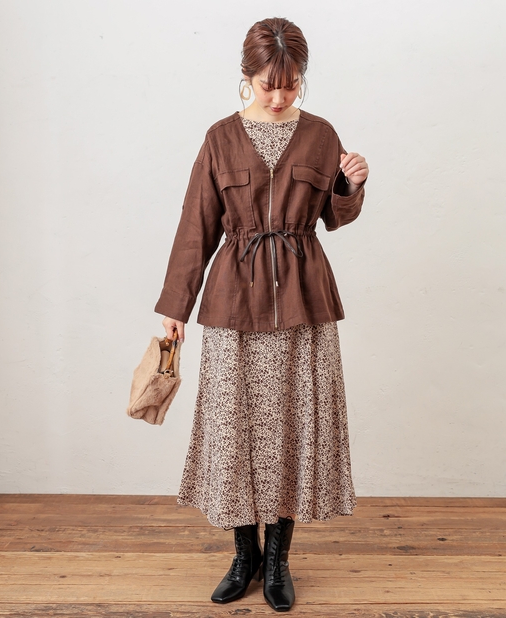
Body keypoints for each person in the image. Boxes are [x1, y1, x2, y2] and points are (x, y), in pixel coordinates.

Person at [154, 17, 369, 613]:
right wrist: (175, 307)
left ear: (302, 78)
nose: (278, 96)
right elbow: (195, 227)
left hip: (304, 305)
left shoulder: (321, 135)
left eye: (290, 84)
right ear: (246, 77)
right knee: (236, 430)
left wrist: (351, 186)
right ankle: (242, 556)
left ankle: (278, 560)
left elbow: (334, 218)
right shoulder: (220, 138)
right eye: (268, 84)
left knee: (291, 428)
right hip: (234, 306)